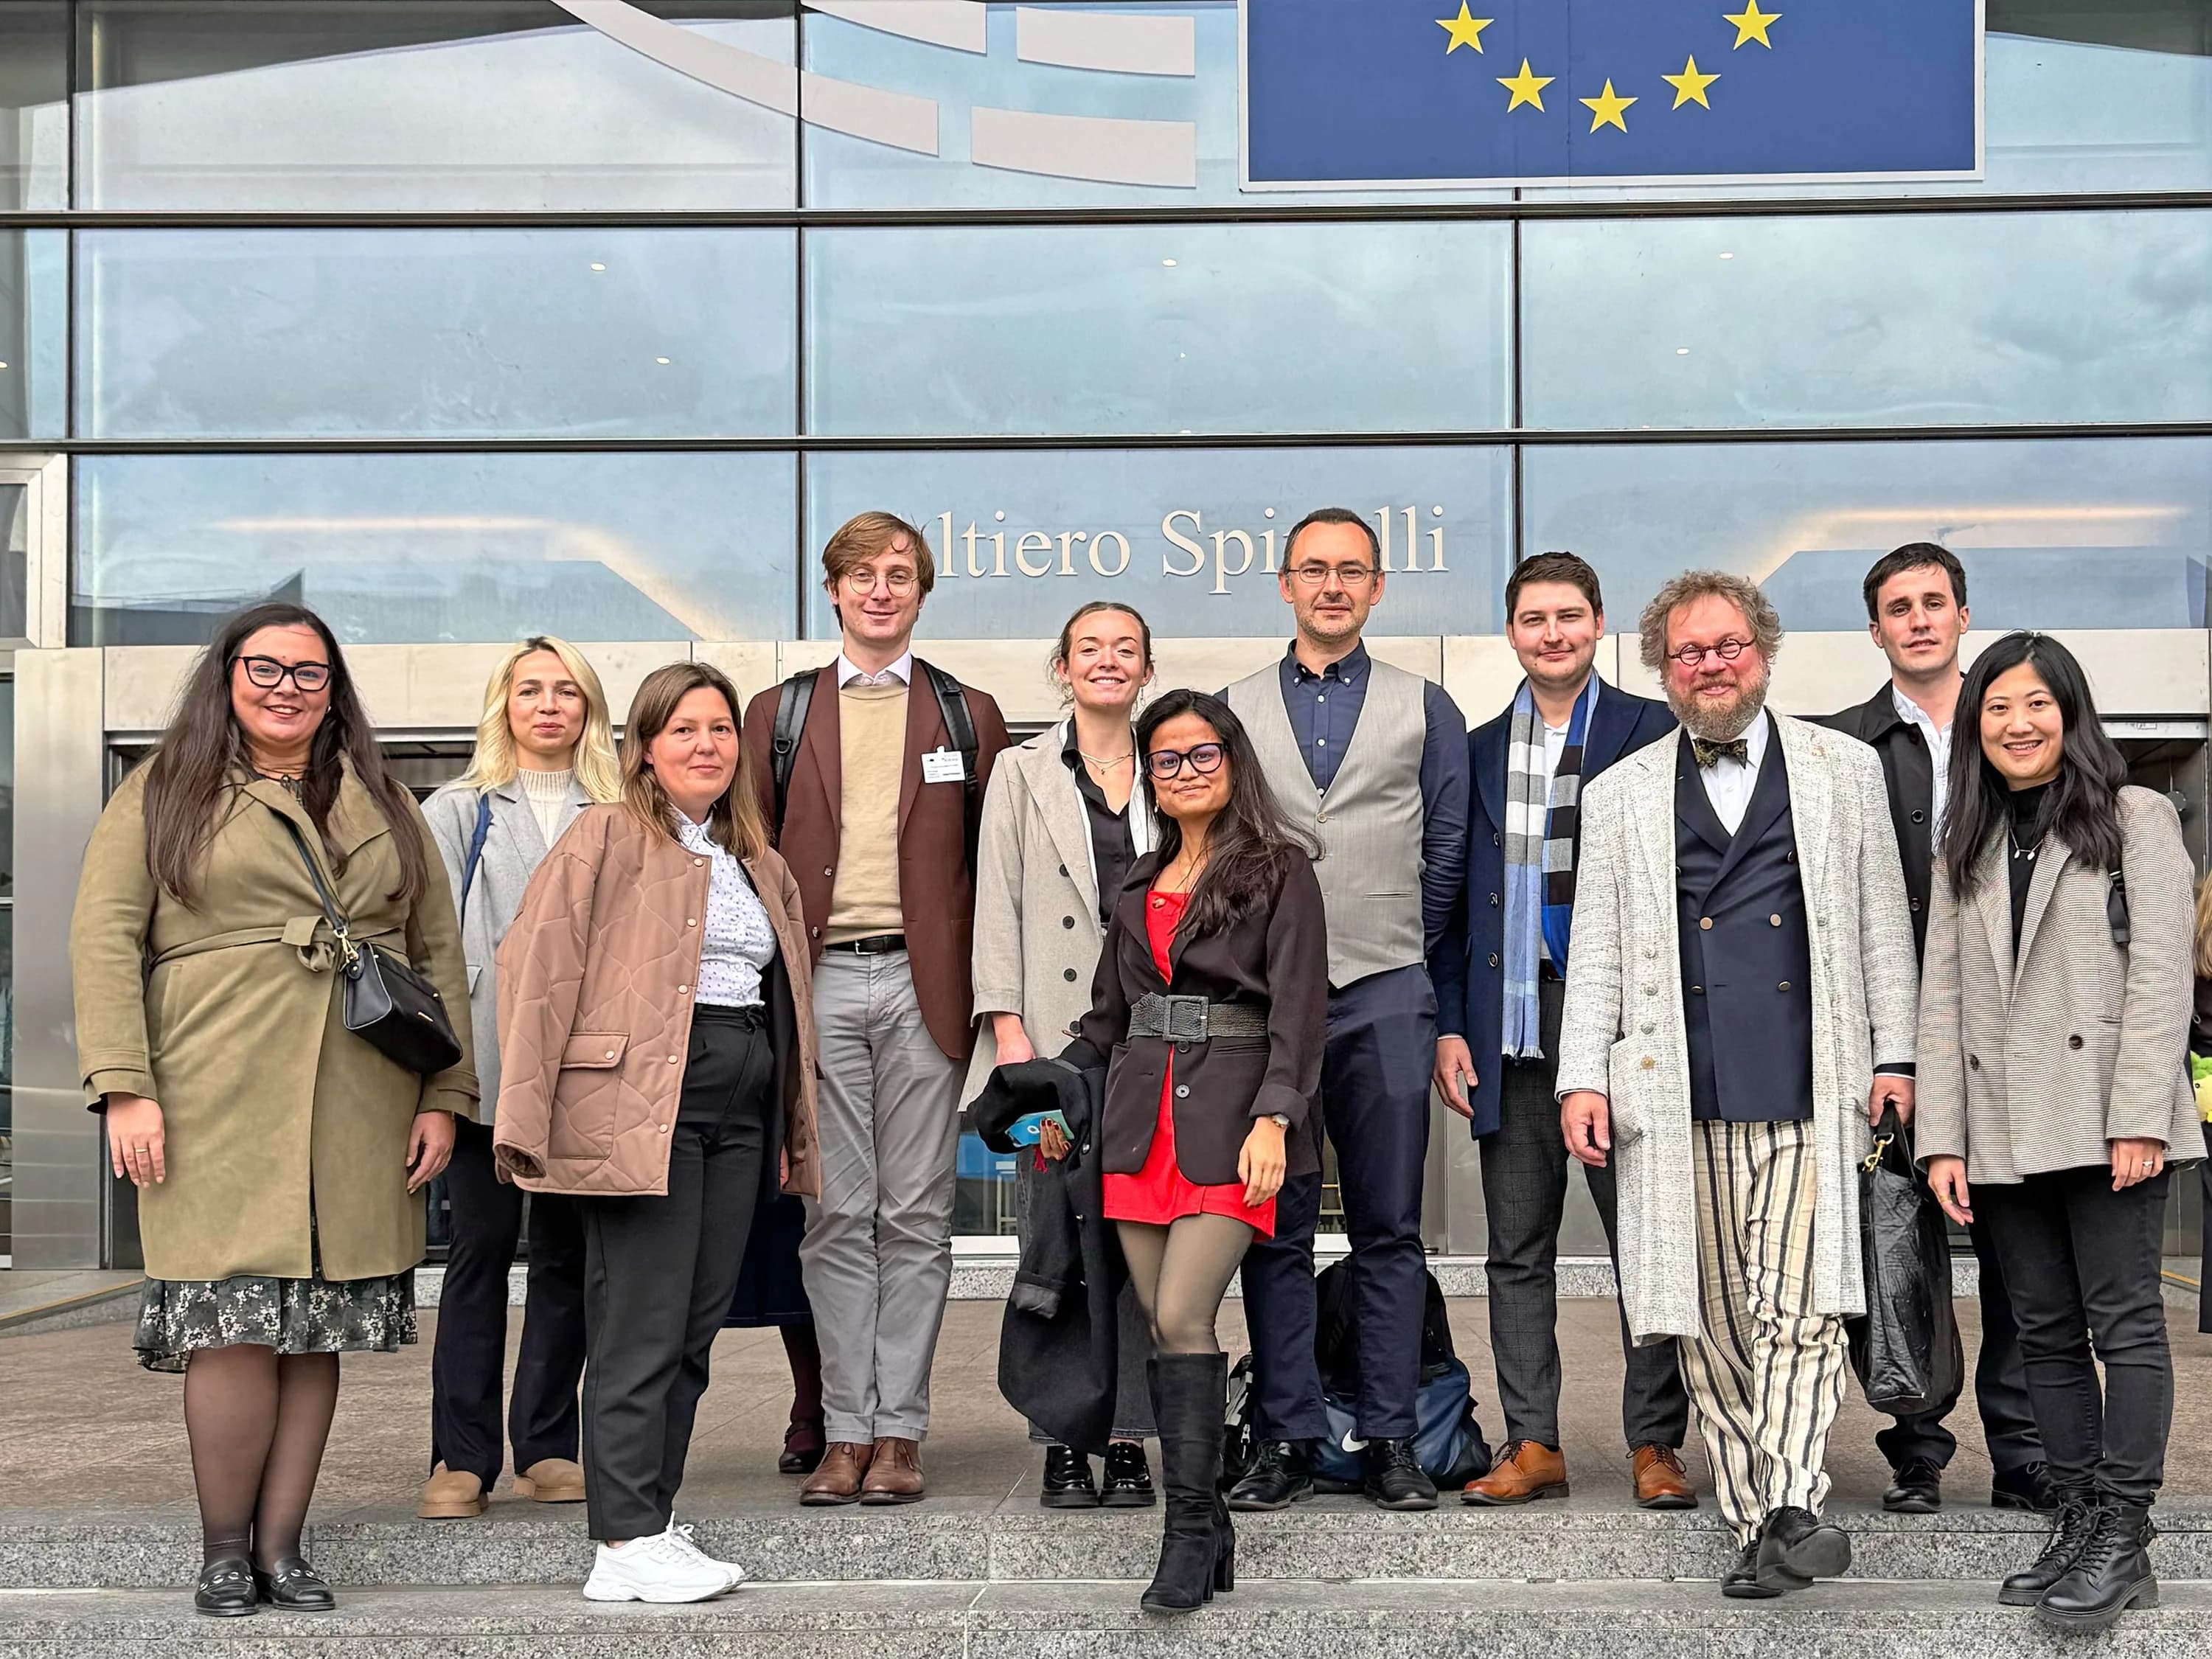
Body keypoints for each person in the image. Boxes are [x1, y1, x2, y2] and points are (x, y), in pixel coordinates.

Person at [72, 602, 470, 1618]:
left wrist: (444, 1097)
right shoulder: (164, 788)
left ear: (334, 688)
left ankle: (285, 1546)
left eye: (310, 671)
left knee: (315, 1327)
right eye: (267, 667)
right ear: (229, 674)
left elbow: (438, 958)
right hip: (213, 1089)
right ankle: (223, 1550)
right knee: (232, 1321)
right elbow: (105, 937)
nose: (287, 686)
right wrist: (126, 1084)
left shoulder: (384, 798)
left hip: (359, 1095)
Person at [1554, 571, 1918, 1601]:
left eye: (1727, 646)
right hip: (1676, 1092)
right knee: (1707, 1317)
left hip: (1811, 1082)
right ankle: (1761, 1518)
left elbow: (1885, 929)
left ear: (1763, 649)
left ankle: (1790, 1501)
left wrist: (1896, 1057)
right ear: (1662, 668)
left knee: (1798, 1307)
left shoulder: (1842, 769)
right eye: (1687, 652)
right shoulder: (1621, 790)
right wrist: (1583, 1073)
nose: (1709, 665)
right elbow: (1599, 956)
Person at [493, 661, 821, 1604]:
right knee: (640, 1324)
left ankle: (651, 1521)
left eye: (721, 730)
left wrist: (793, 1121)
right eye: (683, 730)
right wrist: (528, 1116)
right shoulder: (605, 836)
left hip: (740, 1107)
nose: (707, 746)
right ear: (642, 747)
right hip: (642, 1106)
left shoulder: (757, 858)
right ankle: (622, 1538)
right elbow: (536, 968)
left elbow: (784, 999)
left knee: (693, 1327)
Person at [1917, 631, 2197, 1633]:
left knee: (2124, 1324)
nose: (2018, 723)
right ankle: (2078, 1518)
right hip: (2000, 1125)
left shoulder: (2136, 816)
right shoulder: (1972, 841)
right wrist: (1941, 1138)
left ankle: (2124, 1528)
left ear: (2070, 713)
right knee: (2039, 1331)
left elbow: (2163, 974)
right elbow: (1940, 996)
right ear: (1976, 724)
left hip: (2107, 1115)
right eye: (1998, 707)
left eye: (2037, 703)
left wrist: (2139, 1116)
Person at [739, 512, 1011, 1507]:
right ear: (835, 590)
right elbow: (747, 858)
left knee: (919, 1213)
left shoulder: (966, 711)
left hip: (922, 984)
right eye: (863, 574)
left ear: (922, 591)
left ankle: (900, 1430)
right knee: (836, 1213)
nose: (881, 590)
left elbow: (992, 863)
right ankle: (842, 1430)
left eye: (900, 574)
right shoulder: (779, 709)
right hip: (815, 985)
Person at [1054, 689, 1327, 1613]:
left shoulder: (1282, 870)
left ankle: (1188, 1529)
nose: (1184, 772)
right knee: (1162, 1320)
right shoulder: (1135, 880)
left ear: (1232, 759)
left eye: (1200, 754)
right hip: (1136, 1124)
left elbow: (1299, 1013)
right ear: (1150, 777)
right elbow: (1104, 1018)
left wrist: (1275, 1118)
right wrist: (1046, 1094)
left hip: (1229, 1119)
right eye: (1165, 760)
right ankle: (1208, 1527)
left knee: (1181, 1317)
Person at [1220, 507, 1470, 1514]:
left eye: (1352, 571)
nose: (1332, 585)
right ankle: (1284, 1432)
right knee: (1274, 1229)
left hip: (1388, 988)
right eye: (1314, 570)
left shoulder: (1427, 706)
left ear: (1376, 589)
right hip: (1267, 1004)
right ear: (1285, 585)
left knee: (1388, 1228)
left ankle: (1392, 1436)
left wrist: (1399, 940)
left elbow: (1447, 847)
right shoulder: (1233, 709)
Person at [1430, 552, 1693, 1509]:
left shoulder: (1651, 728)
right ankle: (1532, 1438)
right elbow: (1453, 902)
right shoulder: (1475, 744)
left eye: (1570, 616)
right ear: (1512, 632)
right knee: (1516, 1249)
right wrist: (1448, 1026)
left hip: (1629, 1038)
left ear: (1598, 623)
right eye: (1535, 618)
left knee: (1648, 1243)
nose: (1553, 632)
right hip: (1513, 1036)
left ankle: (1656, 1442)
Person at [1815, 545, 2045, 1515]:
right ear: (1876, 629)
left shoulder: (2019, 732)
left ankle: (2025, 1450)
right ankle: (1917, 1447)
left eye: (1933, 602)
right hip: (1893, 1047)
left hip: (2010, 1039)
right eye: (1897, 607)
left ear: (1961, 615)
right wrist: (1878, 1050)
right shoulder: (1840, 746)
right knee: (1900, 1251)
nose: (1917, 619)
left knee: (2019, 1254)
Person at [417, 637, 619, 1522]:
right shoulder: (460, 810)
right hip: (482, 1069)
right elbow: (422, 946)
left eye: (566, 692)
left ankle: (545, 1448)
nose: (548, 705)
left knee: (569, 1261)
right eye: (530, 690)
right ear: (503, 704)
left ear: (589, 710)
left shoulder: (617, 810)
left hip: (583, 1072)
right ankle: (460, 1458)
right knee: (479, 1257)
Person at [967, 601, 1161, 1509]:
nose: (1108, 661)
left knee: (1139, 1237)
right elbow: (996, 901)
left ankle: (1126, 1432)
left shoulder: (1176, 762)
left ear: (1147, 669)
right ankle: (1059, 1435)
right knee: (1056, 1240)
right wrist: (1012, 1039)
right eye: (1091, 648)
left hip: (1156, 1045)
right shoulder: (1021, 770)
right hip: (1055, 1042)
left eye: (1126, 649)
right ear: (1062, 667)